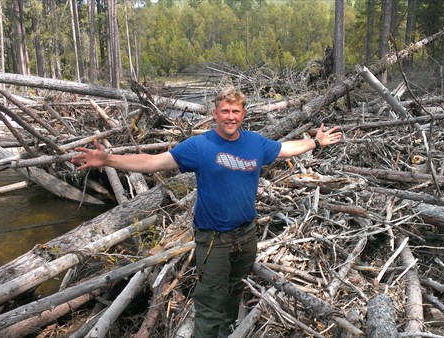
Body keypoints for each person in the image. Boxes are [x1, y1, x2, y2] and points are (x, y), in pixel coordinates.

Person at [71, 88, 342, 338]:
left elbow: (285, 149)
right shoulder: (199, 146)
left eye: (236, 111)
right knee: (210, 303)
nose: (230, 117)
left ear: (243, 114)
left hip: (247, 234)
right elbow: (153, 162)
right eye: (225, 111)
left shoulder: (255, 143)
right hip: (214, 239)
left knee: (234, 290)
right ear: (215, 114)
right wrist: (108, 160)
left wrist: (315, 143)